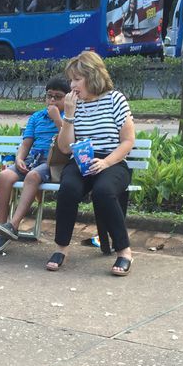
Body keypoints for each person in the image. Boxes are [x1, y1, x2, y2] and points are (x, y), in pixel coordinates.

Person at [46, 51, 136, 276]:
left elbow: (127, 141)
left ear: (92, 76)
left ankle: (124, 251)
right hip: (83, 161)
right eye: (71, 80)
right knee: (69, 188)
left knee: (103, 191)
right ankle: (61, 248)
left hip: (113, 162)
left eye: (77, 79)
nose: (72, 85)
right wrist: (68, 116)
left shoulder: (115, 99)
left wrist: (106, 162)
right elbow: (66, 148)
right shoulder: (75, 105)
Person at [0, 77, 70, 254]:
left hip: (52, 162)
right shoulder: (37, 117)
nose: (52, 101)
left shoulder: (70, 117)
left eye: (58, 97)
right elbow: (26, 143)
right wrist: (19, 158)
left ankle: (13, 225)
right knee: (4, 176)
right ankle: (2, 228)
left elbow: (69, 140)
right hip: (32, 159)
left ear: (68, 98)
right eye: (49, 96)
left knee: (33, 176)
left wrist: (57, 119)